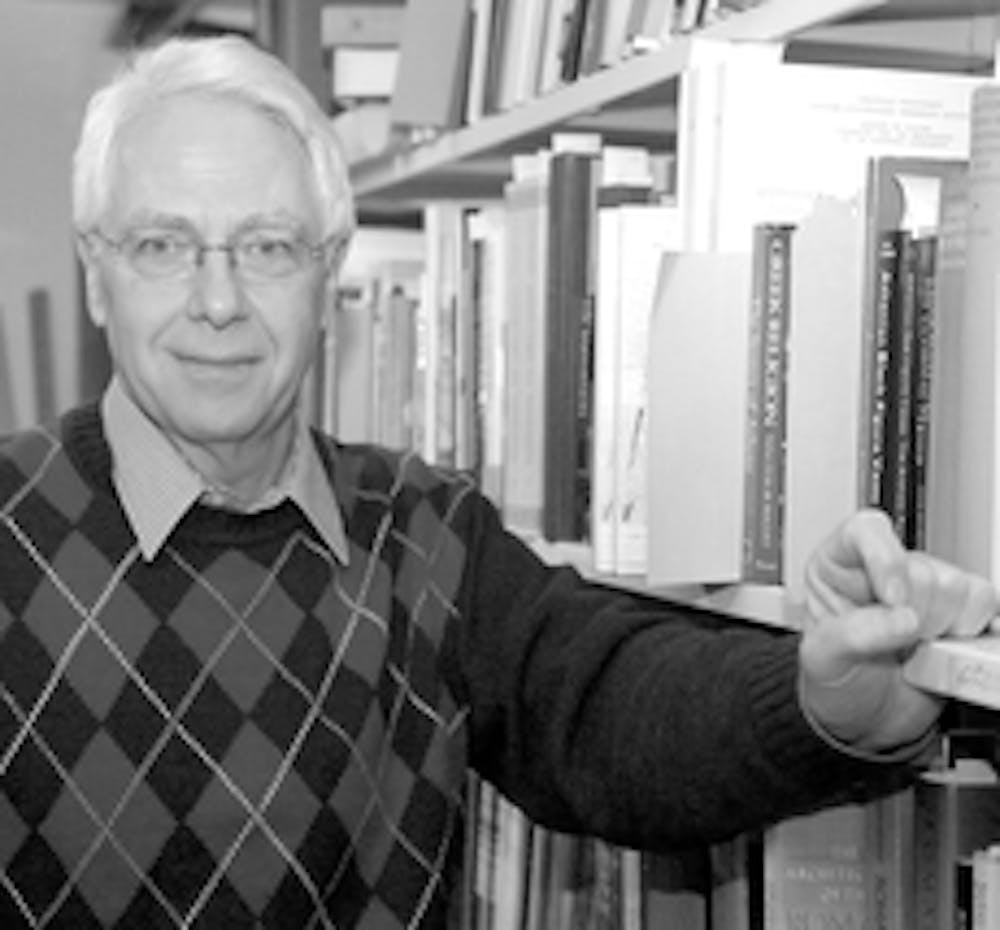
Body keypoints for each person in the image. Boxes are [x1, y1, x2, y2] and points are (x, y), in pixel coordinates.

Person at [0, 33, 994, 930]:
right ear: (96, 273)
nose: (217, 300)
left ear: (328, 274)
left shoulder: (424, 533)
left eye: (267, 247)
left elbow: (619, 711)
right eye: (163, 245)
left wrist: (822, 700)